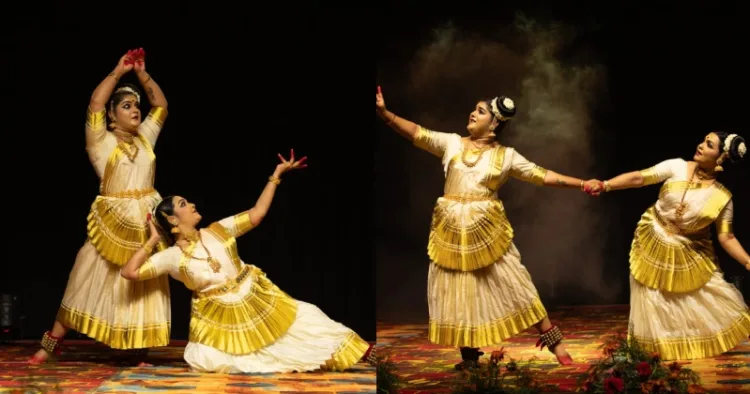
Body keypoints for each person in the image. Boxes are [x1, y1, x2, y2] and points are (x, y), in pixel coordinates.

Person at [375, 86, 601, 368]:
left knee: (516, 282)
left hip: (485, 231)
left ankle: (556, 344)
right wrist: (385, 114)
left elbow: (542, 175)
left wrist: (581, 183)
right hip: (452, 231)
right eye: (474, 109)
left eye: (480, 111)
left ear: (494, 124)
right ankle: (469, 356)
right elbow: (418, 134)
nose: (472, 113)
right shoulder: (453, 144)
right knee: (459, 290)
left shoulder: (506, 156)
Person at [120, 151, 376, 373]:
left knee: (309, 317)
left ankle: (364, 352)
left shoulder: (218, 229)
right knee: (206, 358)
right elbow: (129, 272)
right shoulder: (171, 257)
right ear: (173, 220)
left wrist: (276, 176)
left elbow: (256, 215)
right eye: (184, 204)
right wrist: (152, 240)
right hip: (218, 317)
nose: (193, 204)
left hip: (254, 295)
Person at [30, 49, 171, 364]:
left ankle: (137, 348)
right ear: (111, 115)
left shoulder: (145, 137)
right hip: (113, 221)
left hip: (145, 218)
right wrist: (119, 72)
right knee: (85, 276)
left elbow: (160, 105)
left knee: (142, 283)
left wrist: (142, 74)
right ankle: (50, 345)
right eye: (126, 106)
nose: (135, 110)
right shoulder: (100, 140)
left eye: (136, 105)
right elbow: (94, 103)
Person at [593, 131, 750, 360]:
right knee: (650, 298)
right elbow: (640, 178)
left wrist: (747, 261)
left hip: (687, 251)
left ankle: (677, 350)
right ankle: (649, 352)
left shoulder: (722, 198)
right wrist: (605, 185)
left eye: (709, 145)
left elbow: (727, 238)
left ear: (721, 158)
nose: (700, 145)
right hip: (653, 238)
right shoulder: (676, 166)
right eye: (703, 140)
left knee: (696, 300)